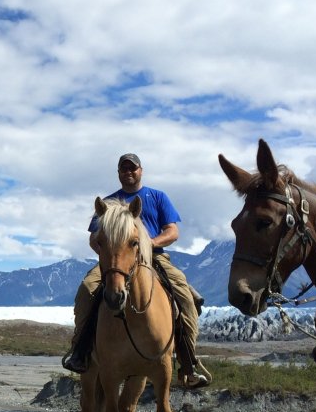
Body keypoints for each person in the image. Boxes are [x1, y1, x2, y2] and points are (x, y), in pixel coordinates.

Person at [63, 153, 211, 389]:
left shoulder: (158, 197)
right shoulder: (108, 203)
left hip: (155, 257)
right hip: (116, 262)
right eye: (124, 169)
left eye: (133, 168)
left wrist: (149, 243)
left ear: (141, 170)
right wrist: (108, 253)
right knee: (86, 290)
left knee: (184, 296)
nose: (128, 172)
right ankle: (80, 351)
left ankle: (188, 362)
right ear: (119, 173)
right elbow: (94, 237)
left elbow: (172, 232)